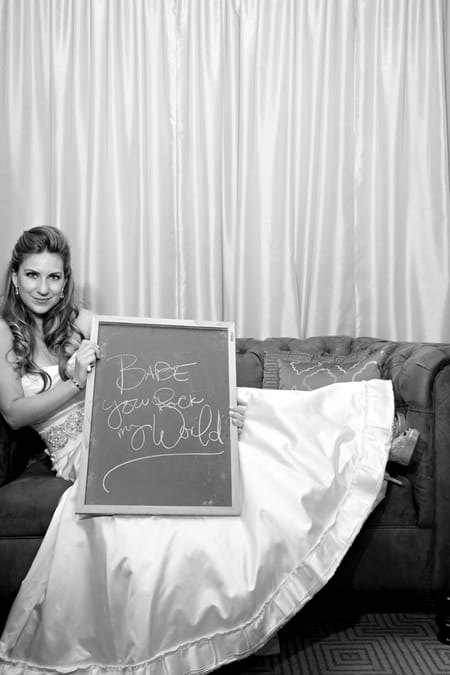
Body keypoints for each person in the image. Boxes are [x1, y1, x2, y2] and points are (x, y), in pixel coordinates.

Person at [0, 226, 402, 674]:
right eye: (33, 275)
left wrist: (211, 405)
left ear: (65, 279)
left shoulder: (74, 318)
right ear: (14, 277)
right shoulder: (3, 333)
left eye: (54, 277)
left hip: (129, 422)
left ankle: (368, 439)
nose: (43, 287)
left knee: (245, 434)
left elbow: (149, 350)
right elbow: (15, 413)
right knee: (159, 512)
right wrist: (76, 380)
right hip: (84, 449)